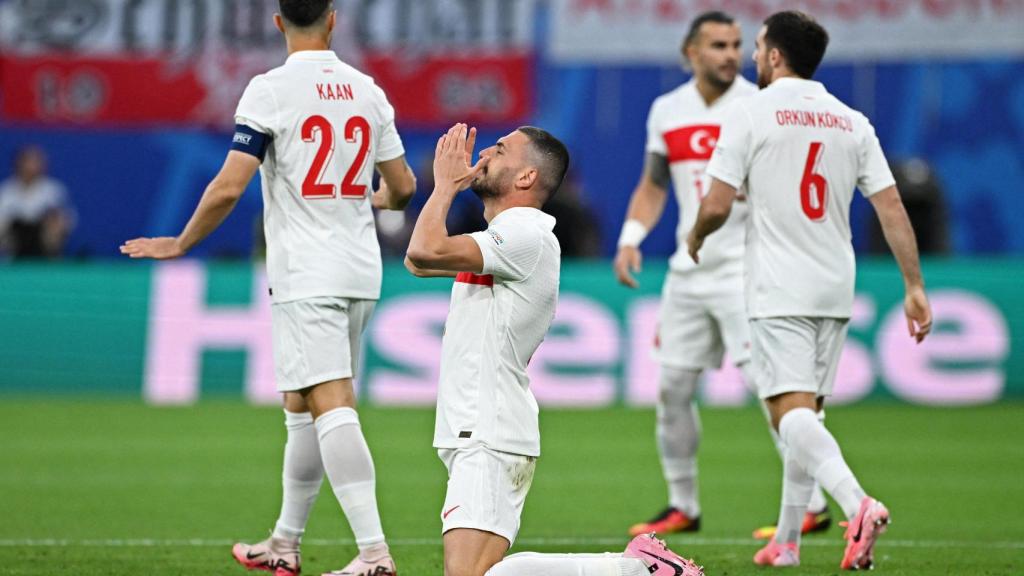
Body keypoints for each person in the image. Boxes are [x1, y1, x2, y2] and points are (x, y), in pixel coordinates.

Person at [120, 1, 417, 575]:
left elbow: (230, 186)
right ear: (333, 19)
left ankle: (375, 555)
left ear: (278, 23)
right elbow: (402, 186)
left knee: (329, 400)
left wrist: (181, 243)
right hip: (359, 269)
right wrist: (367, 196)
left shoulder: (269, 90)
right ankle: (284, 542)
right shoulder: (368, 90)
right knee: (301, 401)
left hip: (307, 272)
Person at [688, 10, 932, 570]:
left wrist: (697, 234)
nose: (752, 58)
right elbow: (890, 206)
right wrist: (914, 286)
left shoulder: (750, 113)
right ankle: (789, 542)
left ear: (776, 55)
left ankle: (857, 504)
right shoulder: (852, 121)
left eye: (757, 48)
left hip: (779, 285)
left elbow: (718, 203)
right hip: (834, 284)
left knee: (786, 413)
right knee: (807, 415)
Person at [405, 123, 701, 576]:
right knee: (482, 573)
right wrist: (445, 191)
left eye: (500, 150)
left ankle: (635, 570)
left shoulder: (525, 233)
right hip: (480, 427)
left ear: (525, 178)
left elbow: (424, 250)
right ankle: (636, 568)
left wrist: (445, 185)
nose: (485, 152)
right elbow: (416, 259)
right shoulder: (507, 236)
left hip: (489, 428)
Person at [612, 11, 830, 539]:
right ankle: (682, 503)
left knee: (772, 388)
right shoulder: (667, 110)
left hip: (748, 269)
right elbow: (654, 183)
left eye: (736, 44)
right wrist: (630, 238)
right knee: (671, 388)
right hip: (690, 270)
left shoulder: (759, 105)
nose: (731, 54)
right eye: (717, 45)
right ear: (691, 52)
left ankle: (814, 503)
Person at [0, 145, 76, 260]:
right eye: (28, 161)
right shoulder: (6, 190)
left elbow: (67, 220)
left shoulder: (53, 190)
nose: (32, 166)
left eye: (36, 162)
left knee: (55, 224)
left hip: (41, 238)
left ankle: (51, 261)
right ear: (18, 164)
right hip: (15, 238)